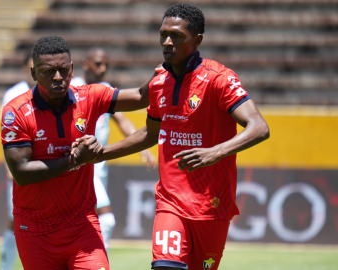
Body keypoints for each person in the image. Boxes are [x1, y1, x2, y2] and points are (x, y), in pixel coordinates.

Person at [74, 4, 270, 270]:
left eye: (176, 36)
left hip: (212, 206)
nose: (167, 42)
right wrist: (99, 155)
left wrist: (214, 152)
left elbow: (259, 127)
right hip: (171, 202)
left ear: (197, 40)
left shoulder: (218, 79)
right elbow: (149, 134)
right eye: (163, 34)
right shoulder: (159, 81)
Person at [0, 35, 154, 270]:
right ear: (33, 73)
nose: (58, 78)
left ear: (72, 69)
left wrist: (169, 70)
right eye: (48, 71)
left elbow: (141, 96)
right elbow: (21, 172)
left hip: (81, 225)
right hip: (35, 231)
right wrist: (74, 161)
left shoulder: (89, 96)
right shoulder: (16, 112)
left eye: (63, 70)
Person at [70, 47, 157, 252]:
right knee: (106, 220)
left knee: (84, 221)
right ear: (85, 64)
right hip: (81, 166)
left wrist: (142, 147)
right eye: (98, 63)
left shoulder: (105, 89)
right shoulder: (73, 87)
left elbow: (122, 120)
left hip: (100, 169)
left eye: (106, 65)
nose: (102, 69)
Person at [0, 51, 34, 270]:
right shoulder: (13, 94)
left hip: (42, 168)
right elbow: (5, 136)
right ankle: (5, 266)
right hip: (20, 168)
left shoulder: (47, 92)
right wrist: (9, 167)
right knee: (16, 221)